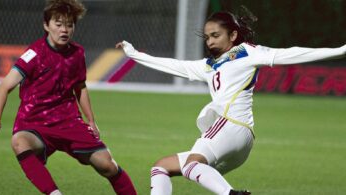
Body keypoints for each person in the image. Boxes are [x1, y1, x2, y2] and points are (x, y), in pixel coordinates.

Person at [116, 9, 346, 195]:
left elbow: (291, 53)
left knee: (191, 165)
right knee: (161, 167)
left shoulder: (247, 52)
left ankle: (229, 194)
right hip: (239, 139)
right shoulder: (209, 66)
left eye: (215, 35)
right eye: (207, 37)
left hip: (231, 125)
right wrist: (133, 53)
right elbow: (174, 65)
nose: (210, 41)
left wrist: (341, 50)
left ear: (233, 35)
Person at [0, 0, 137, 194]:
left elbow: (80, 87)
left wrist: (91, 120)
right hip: (34, 121)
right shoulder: (34, 54)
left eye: (69, 25)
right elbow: (5, 86)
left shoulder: (77, 53)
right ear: (46, 26)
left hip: (68, 121)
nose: (64, 30)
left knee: (107, 165)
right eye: (58, 24)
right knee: (19, 141)